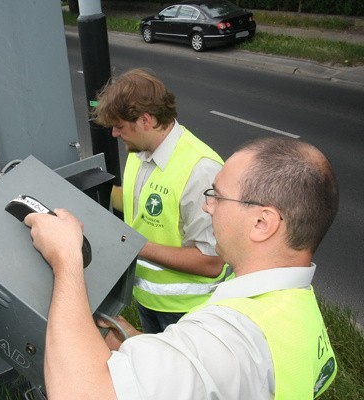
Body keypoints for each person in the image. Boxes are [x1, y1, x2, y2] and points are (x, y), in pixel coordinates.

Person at [25, 137, 339, 399]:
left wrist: (67, 258)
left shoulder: (229, 340)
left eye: (217, 196)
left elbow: (79, 393)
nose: (207, 206)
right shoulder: (297, 307)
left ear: (262, 223)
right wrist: (141, 345)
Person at [91, 68, 229, 332]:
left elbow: (212, 262)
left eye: (119, 127)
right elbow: (142, 209)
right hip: (148, 301)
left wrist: (134, 246)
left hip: (189, 312)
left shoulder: (201, 170)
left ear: (145, 120)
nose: (114, 135)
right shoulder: (139, 150)